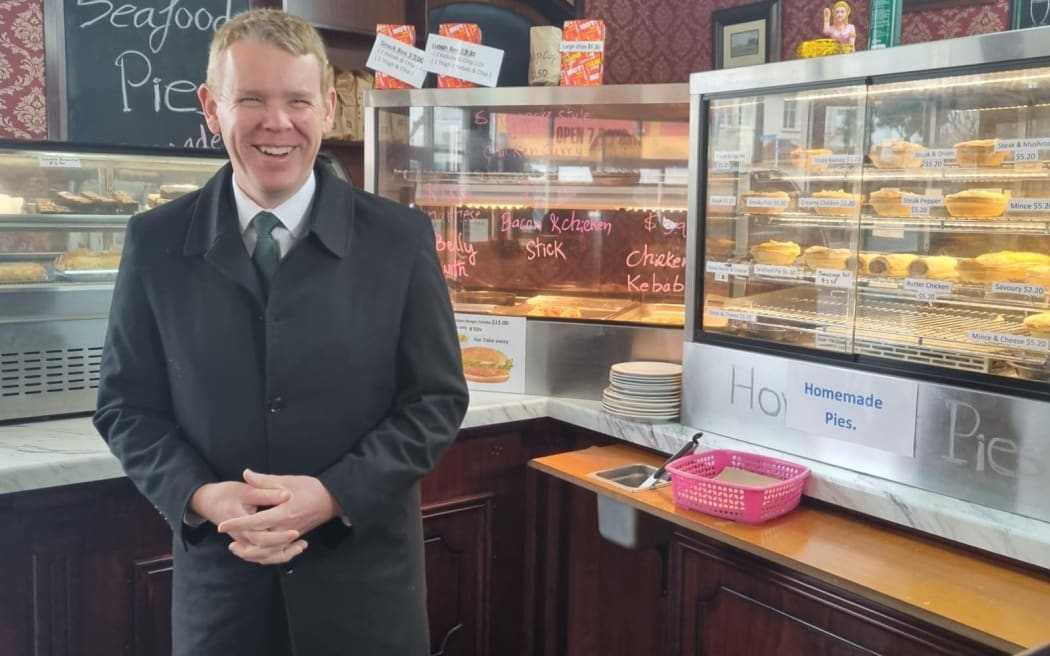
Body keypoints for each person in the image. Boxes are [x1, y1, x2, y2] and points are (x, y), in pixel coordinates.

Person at [93, 9, 468, 655]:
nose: (278, 123)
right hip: (223, 586)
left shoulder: (399, 239)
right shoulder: (155, 241)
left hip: (366, 587)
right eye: (251, 100)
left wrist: (333, 494)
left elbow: (435, 401)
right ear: (212, 107)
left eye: (298, 100)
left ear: (328, 108)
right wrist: (202, 496)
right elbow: (127, 406)